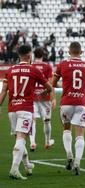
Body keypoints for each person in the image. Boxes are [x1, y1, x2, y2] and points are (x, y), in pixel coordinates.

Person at [0, 44, 52, 179]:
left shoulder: (10, 70)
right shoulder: (33, 70)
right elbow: (49, 87)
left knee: (18, 139)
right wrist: (42, 94)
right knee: (22, 139)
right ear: (29, 55)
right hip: (25, 108)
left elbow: (4, 90)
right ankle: (14, 169)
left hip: (12, 109)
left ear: (18, 55)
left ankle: (27, 164)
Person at [52, 42, 85, 176]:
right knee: (80, 134)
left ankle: (69, 154)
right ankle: (78, 162)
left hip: (66, 103)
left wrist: (64, 86)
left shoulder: (63, 64)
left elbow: (52, 83)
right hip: (81, 102)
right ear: (81, 53)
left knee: (66, 128)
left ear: (69, 52)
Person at [29, 47, 56, 151]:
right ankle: (47, 142)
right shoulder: (47, 66)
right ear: (43, 55)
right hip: (45, 97)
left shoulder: (30, 66)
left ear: (34, 55)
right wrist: (53, 98)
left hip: (32, 96)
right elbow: (50, 83)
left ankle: (32, 143)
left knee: (33, 119)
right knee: (47, 120)